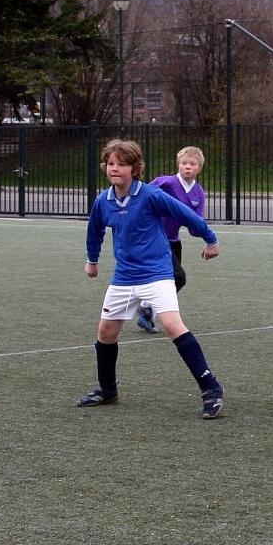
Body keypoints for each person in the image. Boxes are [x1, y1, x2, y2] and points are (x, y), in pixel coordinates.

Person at [78, 139, 225, 419]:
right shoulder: (103, 201)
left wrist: (210, 239)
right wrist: (92, 260)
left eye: (122, 164)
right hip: (123, 276)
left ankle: (211, 388)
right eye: (111, 163)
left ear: (135, 169)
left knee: (172, 325)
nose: (115, 168)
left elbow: (186, 215)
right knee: (106, 333)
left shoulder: (150, 195)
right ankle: (107, 389)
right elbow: (94, 231)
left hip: (157, 273)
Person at [137, 145, 207, 334]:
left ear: (199, 168)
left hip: (173, 241)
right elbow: (142, 195)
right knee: (178, 277)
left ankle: (146, 307)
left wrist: (208, 239)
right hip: (156, 239)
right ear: (178, 165)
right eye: (184, 163)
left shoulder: (198, 193)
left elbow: (195, 225)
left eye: (192, 164)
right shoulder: (165, 182)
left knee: (170, 280)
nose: (187, 167)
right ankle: (147, 307)